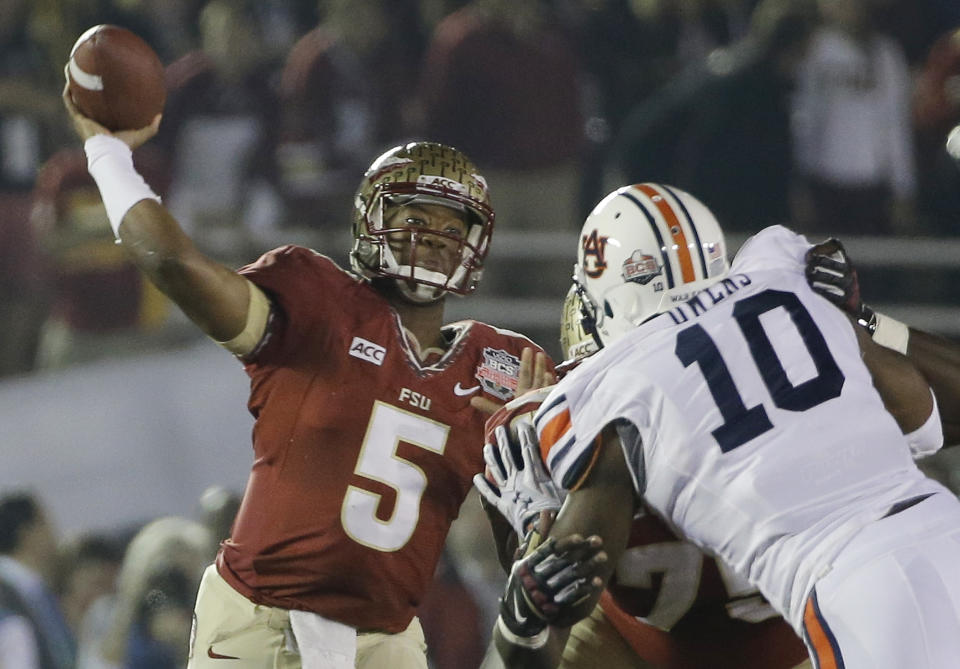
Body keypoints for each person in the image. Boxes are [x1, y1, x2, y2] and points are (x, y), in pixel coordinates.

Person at [61, 75, 554, 668]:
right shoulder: (316, 299)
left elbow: (522, 555)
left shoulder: (502, 368)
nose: (434, 240)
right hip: (261, 621)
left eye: (453, 228)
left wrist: (536, 474)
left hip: (388, 640)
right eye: (416, 218)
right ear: (371, 219)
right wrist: (107, 153)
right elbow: (174, 264)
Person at [486, 184, 960, 669]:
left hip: (844, 579)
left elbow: (557, 592)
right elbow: (927, 419)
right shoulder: (782, 283)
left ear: (607, 302)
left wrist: (531, 547)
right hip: (936, 526)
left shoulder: (612, 391)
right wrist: (857, 322)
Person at [476, 185, 809, 669]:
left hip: (638, 638)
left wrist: (535, 521)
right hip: (797, 636)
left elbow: (533, 602)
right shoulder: (794, 364)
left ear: (609, 306)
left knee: (530, 620)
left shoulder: (564, 419)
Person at [0, 491, 76, 669]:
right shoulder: (6, 592)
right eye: (46, 523)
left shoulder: (36, 588)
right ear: (27, 532)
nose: (54, 531)